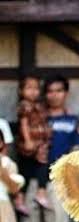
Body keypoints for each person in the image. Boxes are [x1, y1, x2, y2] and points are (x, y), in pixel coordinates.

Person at [13, 75, 79, 222]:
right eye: (50, 91)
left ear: (66, 93)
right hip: (32, 181)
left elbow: (75, 152)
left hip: (57, 183)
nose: (54, 95)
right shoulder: (36, 116)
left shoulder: (72, 121)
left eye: (59, 90)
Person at [15, 74, 51, 214]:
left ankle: (38, 194)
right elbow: (24, 124)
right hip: (28, 144)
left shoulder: (39, 106)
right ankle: (21, 198)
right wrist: (28, 140)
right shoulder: (25, 105)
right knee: (26, 170)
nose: (33, 91)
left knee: (38, 166)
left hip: (39, 143)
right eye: (29, 88)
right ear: (21, 91)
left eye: (36, 88)